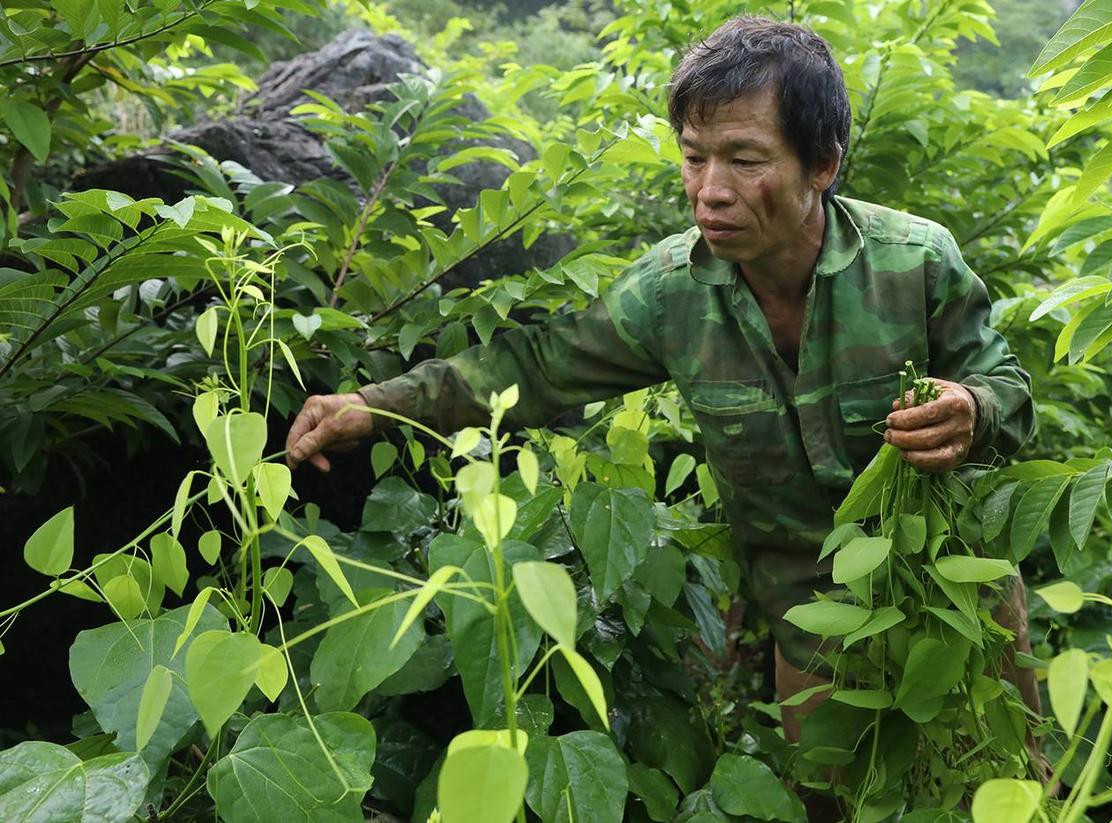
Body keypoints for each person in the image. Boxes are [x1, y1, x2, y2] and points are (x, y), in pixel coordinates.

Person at [286, 10, 1036, 797]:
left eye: (746, 160)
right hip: (811, 623)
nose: (710, 192)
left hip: (957, 597)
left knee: (1007, 787)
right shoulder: (666, 295)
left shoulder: (916, 264)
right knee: (838, 805)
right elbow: (536, 369)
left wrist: (972, 409)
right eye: (693, 158)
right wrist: (375, 404)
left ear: (822, 164)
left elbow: (1011, 394)